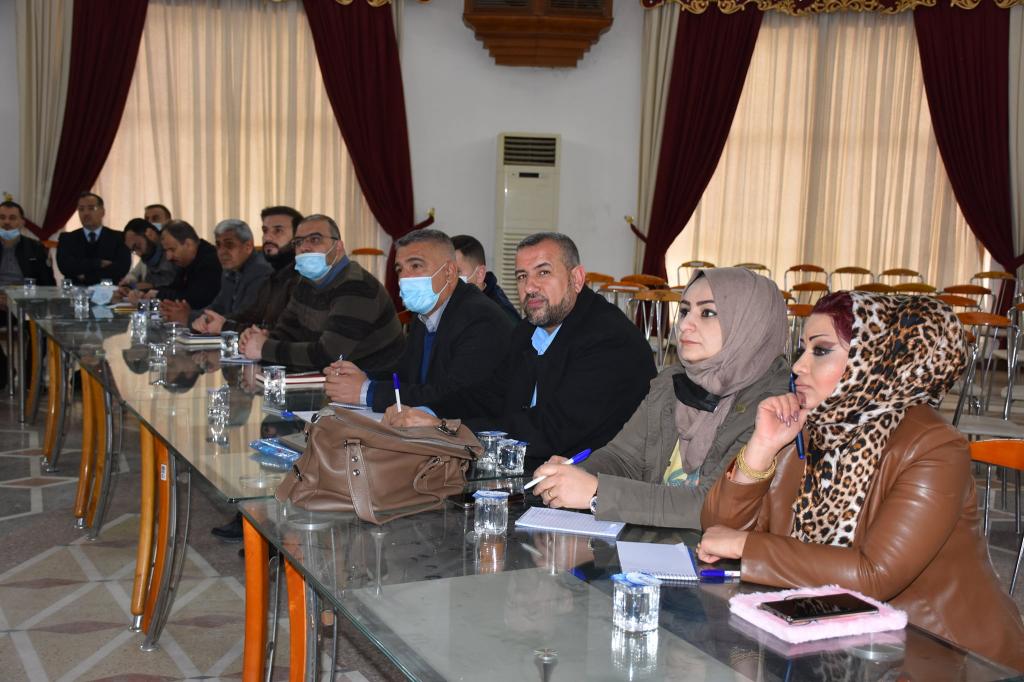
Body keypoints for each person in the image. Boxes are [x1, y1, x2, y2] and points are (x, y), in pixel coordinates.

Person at [698, 292, 1024, 671]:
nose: (798, 366)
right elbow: (717, 530)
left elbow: (874, 576)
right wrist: (762, 447)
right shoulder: (809, 429)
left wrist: (747, 545)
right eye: (802, 350)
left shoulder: (933, 446)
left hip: (938, 654)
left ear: (874, 361)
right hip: (827, 637)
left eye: (821, 351)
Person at [532, 268, 790, 528]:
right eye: (685, 311)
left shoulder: (773, 407)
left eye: (708, 313)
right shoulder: (673, 383)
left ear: (749, 323)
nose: (685, 325)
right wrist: (577, 473)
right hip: (655, 546)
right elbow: (622, 458)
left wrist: (597, 493)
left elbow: (709, 507)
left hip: (719, 553)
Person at [384, 232, 656, 473]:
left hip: (595, 487)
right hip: (532, 471)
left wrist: (445, 428)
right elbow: (489, 394)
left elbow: (551, 430)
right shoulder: (529, 330)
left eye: (543, 273)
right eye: (522, 276)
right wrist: (425, 412)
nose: (530, 287)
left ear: (576, 278)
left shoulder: (609, 339)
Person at [324, 228, 515, 411]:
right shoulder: (425, 312)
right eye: (400, 269)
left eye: (416, 266)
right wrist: (363, 377)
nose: (404, 277)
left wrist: (367, 392)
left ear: (449, 272)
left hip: (474, 429)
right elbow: (407, 373)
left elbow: (453, 396)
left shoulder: (480, 318)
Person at [238, 214, 404, 372]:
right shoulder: (306, 282)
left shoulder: (357, 286)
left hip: (381, 385)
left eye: (315, 239)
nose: (304, 247)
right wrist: (262, 337)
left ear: (338, 247)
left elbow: (329, 356)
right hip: (333, 381)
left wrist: (265, 348)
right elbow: (288, 333)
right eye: (298, 242)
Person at [194, 206, 302, 335]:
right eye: (265, 231)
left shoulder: (300, 277)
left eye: (278, 231)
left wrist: (224, 326)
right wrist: (210, 320)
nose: (267, 238)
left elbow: (282, 332)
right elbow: (250, 315)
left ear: (298, 238)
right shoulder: (275, 276)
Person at [166, 218, 272, 325]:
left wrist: (189, 318)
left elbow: (244, 317)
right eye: (218, 245)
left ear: (248, 247)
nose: (221, 252)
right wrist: (188, 315)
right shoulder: (229, 271)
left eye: (229, 245)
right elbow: (218, 308)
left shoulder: (261, 271)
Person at [149, 220, 223, 317]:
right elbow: (175, 288)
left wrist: (157, 294)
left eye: (172, 249)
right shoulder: (187, 261)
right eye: (166, 251)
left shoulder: (211, 261)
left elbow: (194, 300)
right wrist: (145, 292)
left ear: (188, 244)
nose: (168, 257)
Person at [56, 192, 131, 285]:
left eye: (91, 208)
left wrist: (86, 276)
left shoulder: (118, 237)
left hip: (109, 291)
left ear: (102, 212)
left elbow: (121, 268)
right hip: (75, 291)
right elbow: (65, 267)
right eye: (81, 209)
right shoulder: (67, 238)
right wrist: (98, 263)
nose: (86, 213)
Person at [451, 234, 520, 322]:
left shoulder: (501, 316)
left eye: (457, 271)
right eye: (446, 271)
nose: (448, 278)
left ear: (480, 274)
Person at [0, 200, 56, 293]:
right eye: (2, 217)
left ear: (22, 223)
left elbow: (48, 285)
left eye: (12, 218)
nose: (6, 222)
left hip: (25, 297)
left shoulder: (36, 248)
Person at [119, 218, 178, 291]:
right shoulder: (149, 255)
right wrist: (127, 284)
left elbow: (177, 285)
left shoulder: (174, 254)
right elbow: (133, 275)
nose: (138, 254)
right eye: (133, 251)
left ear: (150, 234)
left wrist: (151, 286)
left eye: (138, 246)